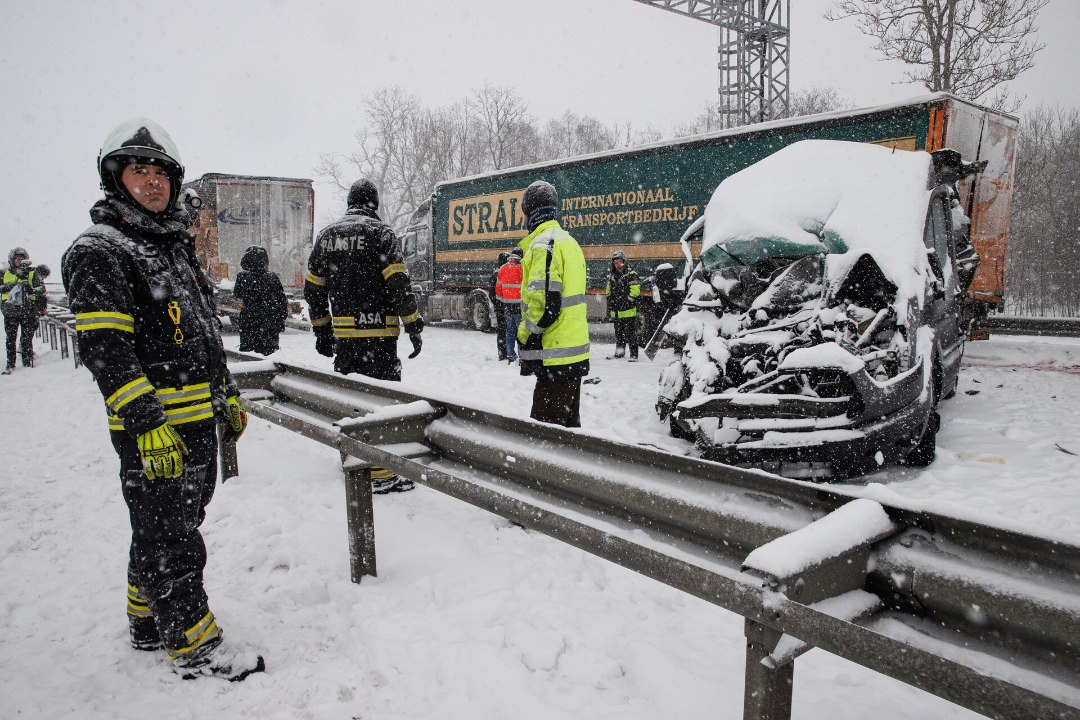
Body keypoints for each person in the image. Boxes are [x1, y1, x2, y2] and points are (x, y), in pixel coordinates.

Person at [61, 117, 264, 682]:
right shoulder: (101, 250)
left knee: (165, 525)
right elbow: (107, 349)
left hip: (197, 425)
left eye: (159, 173)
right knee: (172, 536)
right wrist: (146, 421)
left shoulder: (171, 249)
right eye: (138, 171)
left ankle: (146, 618)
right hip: (154, 431)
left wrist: (226, 395)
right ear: (115, 179)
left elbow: (203, 336)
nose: (151, 183)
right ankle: (194, 643)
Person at [305, 178, 424, 493]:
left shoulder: (327, 237)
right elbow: (399, 284)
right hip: (380, 337)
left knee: (350, 399)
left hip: (345, 338)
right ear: (374, 204)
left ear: (349, 203)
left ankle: (352, 459)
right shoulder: (382, 234)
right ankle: (380, 474)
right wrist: (412, 324)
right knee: (381, 406)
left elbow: (313, 288)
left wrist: (322, 329)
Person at [515, 180, 590, 427]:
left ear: (530, 212)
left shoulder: (544, 244)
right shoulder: (570, 242)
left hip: (555, 356)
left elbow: (545, 303)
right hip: (572, 352)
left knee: (543, 440)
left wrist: (525, 335)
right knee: (567, 435)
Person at [233, 245, 287, 355]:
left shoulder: (242, 276)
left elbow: (237, 293)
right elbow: (282, 300)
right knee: (269, 355)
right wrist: (281, 319)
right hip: (269, 320)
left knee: (248, 355)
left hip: (249, 320)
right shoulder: (272, 277)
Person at [1, 247, 46, 373]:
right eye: (18, 259)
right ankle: (10, 364)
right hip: (10, 311)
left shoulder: (32, 272)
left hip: (28, 310)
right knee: (11, 338)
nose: (20, 261)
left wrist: (31, 289)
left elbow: (41, 289)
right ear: (12, 260)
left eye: (23, 259)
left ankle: (27, 363)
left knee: (27, 338)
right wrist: (8, 286)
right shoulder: (4, 273)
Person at [605, 250, 641, 361]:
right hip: (616, 312)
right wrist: (610, 299)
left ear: (624, 261)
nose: (617, 265)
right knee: (619, 334)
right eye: (615, 263)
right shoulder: (612, 276)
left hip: (628, 311)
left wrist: (627, 301)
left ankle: (634, 355)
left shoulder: (632, 274)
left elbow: (635, 291)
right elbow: (608, 290)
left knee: (630, 334)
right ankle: (619, 353)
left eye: (619, 262)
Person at [496, 247, 523, 364]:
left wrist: (504, 299)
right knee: (521, 332)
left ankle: (510, 354)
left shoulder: (503, 268)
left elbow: (498, 287)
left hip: (507, 305)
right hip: (519, 305)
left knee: (509, 331)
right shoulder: (523, 268)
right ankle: (522, 357)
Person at [490, 251, 510, 360]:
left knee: (501, 330)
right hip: (510, 307)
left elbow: (491, 293)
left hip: (500, 307)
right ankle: (510, 352)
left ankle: (502, 353)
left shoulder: (496, 273)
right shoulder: (509, 272)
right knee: (510, 330)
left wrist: (497, 303)